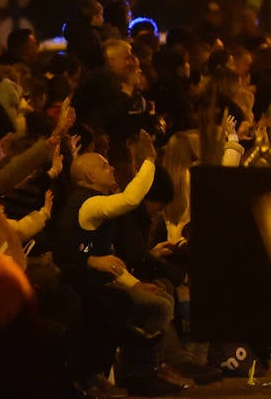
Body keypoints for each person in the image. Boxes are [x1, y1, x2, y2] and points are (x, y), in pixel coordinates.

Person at [54, 130, 184, 396]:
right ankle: (131, 373)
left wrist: (135, 284)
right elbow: (130, 199)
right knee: (131, 306)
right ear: (90, 177)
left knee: (152, 298)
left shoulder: (94, 202)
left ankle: (142, 369)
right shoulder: (88, 204)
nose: (111, 167)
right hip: (81, 285)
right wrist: (148, 160)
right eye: (104, 166)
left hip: (94, 281)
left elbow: (109, 259)